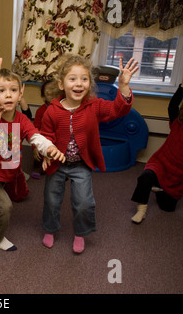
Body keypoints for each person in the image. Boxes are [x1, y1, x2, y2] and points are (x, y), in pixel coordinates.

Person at [40, 54, 139, 253]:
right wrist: (46, 154)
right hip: (57, 165)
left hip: (80, 164)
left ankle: (80, 233)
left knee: (84, 203)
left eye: (84, 79)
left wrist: (124, 86)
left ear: (90, 84)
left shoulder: (94, 106)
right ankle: (50, 229)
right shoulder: (52, 110)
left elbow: (118, 109)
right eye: (73, 79)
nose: (79, 84)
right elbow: (45, 136)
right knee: (51, 200)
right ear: (61, 84)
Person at [0, 49, 65, 252]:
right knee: (5, 206)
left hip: (8, 173)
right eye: (1, 90)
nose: (8, 95)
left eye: (13, 90)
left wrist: (49, 147)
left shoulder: (22, 119)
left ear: (21, 92)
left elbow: (35, 136)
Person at [130, 71, 183, 223]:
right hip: (161, 164)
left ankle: (159, 188)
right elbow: (172, 107)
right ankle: (141, 210)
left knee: (168, 208)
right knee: (145, 178)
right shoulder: (177, 125)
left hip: (178, 177)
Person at [31, 79, 58, 179]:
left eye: (54, 92)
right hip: (43, 139)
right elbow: (35, 130)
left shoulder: (63, 109)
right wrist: (34, 147)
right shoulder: (41, 111)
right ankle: (38, 166)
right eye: (48, 93)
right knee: (39, 154)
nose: (52, 95)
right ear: (43, 96)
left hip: (56, 141)